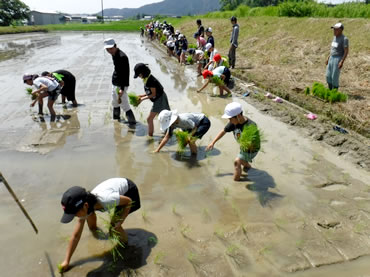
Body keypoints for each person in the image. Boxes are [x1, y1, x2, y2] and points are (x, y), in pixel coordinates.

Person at [58, 178, 141, 272]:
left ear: (85, 206)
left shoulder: (106, 200)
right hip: (113, 192)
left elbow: (128, 201)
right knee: (89, 218)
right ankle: (94, 229)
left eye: (75, 214)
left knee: (114, 227)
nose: (75, 217)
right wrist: (66, 261)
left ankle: (125, 245)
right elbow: (76, 236)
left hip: (129, 192)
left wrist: (120, 221)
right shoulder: (87, 205)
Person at [206, 102, 260, 181]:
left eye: (230, 118)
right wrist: (213, 142)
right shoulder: (233, 122)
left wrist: (247, 147)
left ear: (238, 116)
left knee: (237, 162)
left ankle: (236, 183)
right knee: (242, 160)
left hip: (251, 148)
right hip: (243, 147)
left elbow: (253, 143)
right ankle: (247, 166)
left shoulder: (250, 126)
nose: (229, 120)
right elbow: (224, 131)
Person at [104, 38, 136, 124]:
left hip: (121, 84)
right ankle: (116, 120)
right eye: (107, 49)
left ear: (115, 46)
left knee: (124, 104)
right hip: (115, 82)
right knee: (115, 102)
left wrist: (121, 88)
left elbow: (124, 73)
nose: (109, 51)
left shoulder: (122, 57)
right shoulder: (114, 54)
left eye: (111, 48)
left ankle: (132, 123)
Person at [134, 63, 171, 137]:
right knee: (166, 116)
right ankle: (169, 132)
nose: (138, 76)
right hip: (159, 97)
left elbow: (153, 94)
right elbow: (150, 92)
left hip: (160, 99)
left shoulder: (150, 80)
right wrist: (142, 95)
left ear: (143, 73)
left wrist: (142, 99)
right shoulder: (146, 78)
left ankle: (150, 136)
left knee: (149, 119)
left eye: (139, 74)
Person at [326, 22, 349, 90]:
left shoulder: (344, 39)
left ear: (341, 30)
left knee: (334, 76)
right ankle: (330, 90)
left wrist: (341, 61)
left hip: (337, 58)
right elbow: (333, 49)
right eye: (334, 29)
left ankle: (334, 92)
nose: (334, 31)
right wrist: (328, 57)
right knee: (328, 75)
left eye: (336, 29)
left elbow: (346, 51)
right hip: (331, 57)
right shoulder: (334, 37)